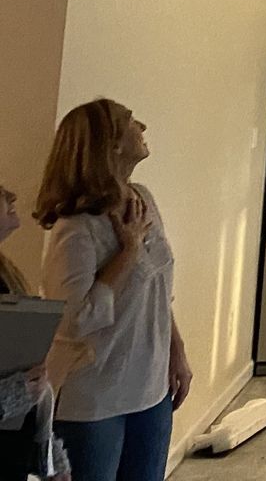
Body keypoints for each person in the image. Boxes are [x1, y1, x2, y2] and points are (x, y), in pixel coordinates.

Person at [34, 104, 190, 481]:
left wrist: (177, 350)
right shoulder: (75, 228)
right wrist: (128, 254)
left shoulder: (143, 198)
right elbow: (73, 322)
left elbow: (157, 287)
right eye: (130, 121)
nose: (143, 125)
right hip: (95, 397)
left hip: (151, 389)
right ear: (112, 145)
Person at [0, 182, 68, 481]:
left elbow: (33, 375)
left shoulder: (6, 272)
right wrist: (14, 393)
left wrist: (52, 459)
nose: (12, 195)